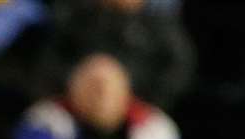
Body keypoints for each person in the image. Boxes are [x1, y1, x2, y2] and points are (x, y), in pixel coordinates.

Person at [13, 53, 193, 139]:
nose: (101, 95)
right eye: (93, 87)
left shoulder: (156, 128)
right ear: (72, 90)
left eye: (109, 87)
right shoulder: (44, 120)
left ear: (127, 93)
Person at [41, 0, 196, 114]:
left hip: (137, 108)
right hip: (71, 107)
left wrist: (136, 100)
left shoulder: (159, 26)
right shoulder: (77, 18)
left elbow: (177, 68)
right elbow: (51, 62)